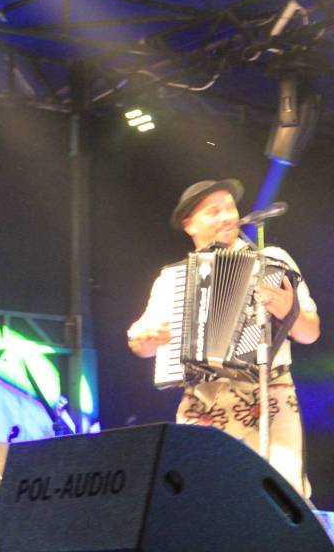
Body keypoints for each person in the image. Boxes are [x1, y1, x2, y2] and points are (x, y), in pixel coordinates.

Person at [127, 178, 320, 497]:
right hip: (204, 402)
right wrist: (144, 339)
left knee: (280, 498)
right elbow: (141, 341)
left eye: (229, 207)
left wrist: (290, 311)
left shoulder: (272, 259)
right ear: (190, 224)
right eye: (213, 211)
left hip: (269, 397)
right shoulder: (172, 279)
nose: (227, 216)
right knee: (204, 498)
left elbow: (310, 333)